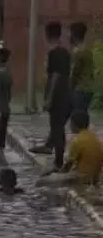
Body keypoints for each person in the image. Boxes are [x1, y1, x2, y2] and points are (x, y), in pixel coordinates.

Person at [30, 22, 72, 169]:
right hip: (65, 92)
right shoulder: (65, 53)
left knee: (57, 127)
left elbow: (55, 76)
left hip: (58, 95)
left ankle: (58, 161)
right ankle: (52, 151)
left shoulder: (55, 53)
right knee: (57, 127)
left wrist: (49, 98)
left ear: (47, 35)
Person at [38, 111, 103, 187]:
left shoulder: (77, 141)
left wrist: (57, 174)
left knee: (41, 182)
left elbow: (68, 166)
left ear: (74, 124)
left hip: (82, 177)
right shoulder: (94, 137)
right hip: (95, 177)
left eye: (70, 123)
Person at [69, 22, 94, 116]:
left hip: (80, 90)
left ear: (73, 35)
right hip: (89, 89)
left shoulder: (77, 52)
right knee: (83, 115)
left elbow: (74, 73)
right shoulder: (88, 50)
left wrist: (69, 89)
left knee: (77, 116)